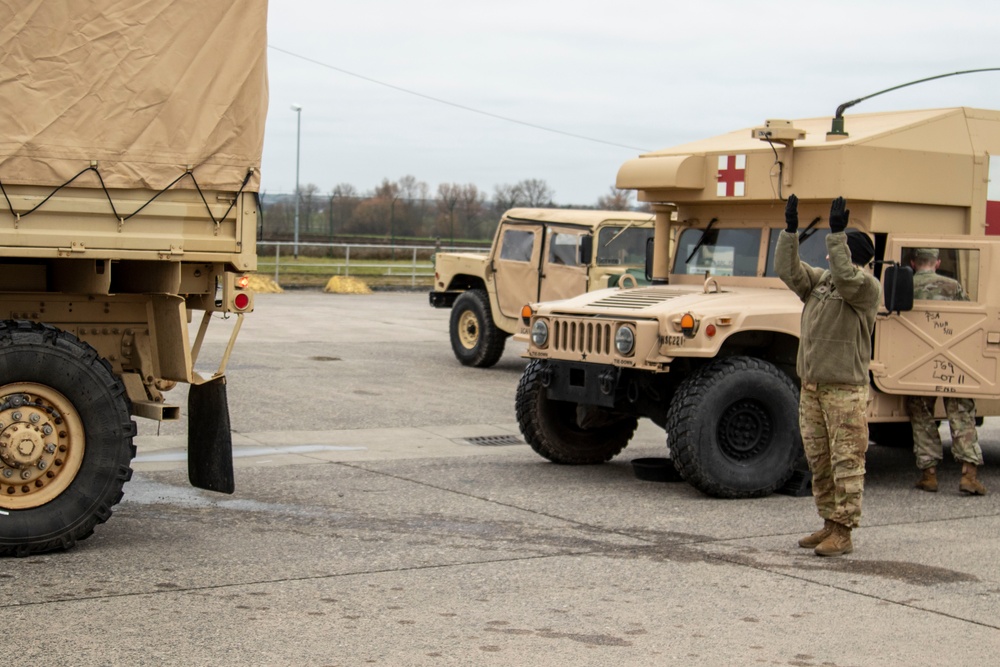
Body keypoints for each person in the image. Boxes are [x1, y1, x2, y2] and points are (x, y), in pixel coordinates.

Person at [775, 195, 882, 557]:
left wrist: (837, 236)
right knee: (819, 460)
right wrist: (790, 231)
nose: (825, 258)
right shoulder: (821, 283)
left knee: (846, 462)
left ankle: (844, 531)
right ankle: (827, 524)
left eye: (835, 251)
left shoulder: (865, 289)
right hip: (813, 389)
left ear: (850, 256)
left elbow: (847, 278)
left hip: (844, 392)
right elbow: (790, 272)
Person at [904, 248, 987, 495]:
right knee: (961, 415)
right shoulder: (953, 287)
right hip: (953, 361)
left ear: (913, 263)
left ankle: (929, 475)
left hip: (917, 363)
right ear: (938, 263)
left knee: (921, 415)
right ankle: (969, 476)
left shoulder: (905, 284)